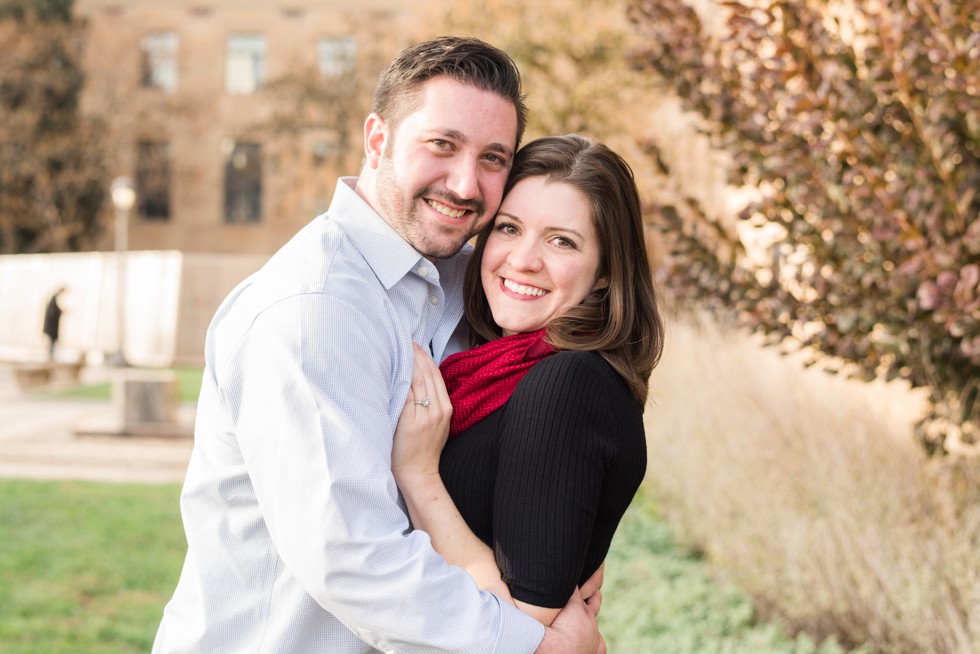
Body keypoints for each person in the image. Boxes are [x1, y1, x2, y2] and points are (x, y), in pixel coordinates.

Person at [152, 37, 602, 654]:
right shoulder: (313, 309)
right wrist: (534, 647)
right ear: (377, 139)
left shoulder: (475, 286)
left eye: (493, 158)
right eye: (441, 145)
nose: (466, 183)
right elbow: (351, 556)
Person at [391, 134, 664, 628]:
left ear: (605, 272)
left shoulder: (567, 383)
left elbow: (520, 624)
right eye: (509, 228)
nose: (522, 259)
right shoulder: (509, 366)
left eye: (562, 241)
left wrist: (419, 475)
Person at [42, 286, 66, 361]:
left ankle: (51, 356)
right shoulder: (53, 299)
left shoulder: (53, 299)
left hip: (52, 326)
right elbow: (53, 312)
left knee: (52, 342)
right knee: (51, 342)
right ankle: (50, 357)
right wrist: (60, 312)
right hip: (51, 326)